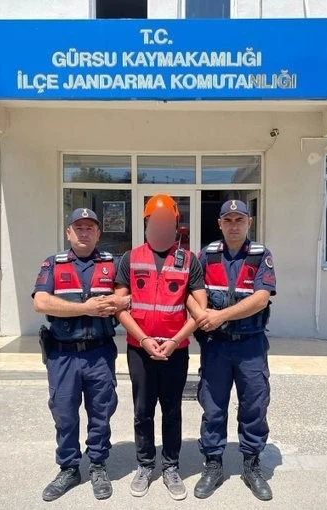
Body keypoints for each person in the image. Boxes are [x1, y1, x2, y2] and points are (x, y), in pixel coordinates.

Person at [32, 208, 129, 502]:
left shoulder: (111, 264)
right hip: (63, 355)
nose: (84, 232)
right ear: (69, 233)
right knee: (64, 414)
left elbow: (127, 296)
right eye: (79, 228)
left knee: (101, 412)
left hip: (99, 353)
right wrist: (85, 308)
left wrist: (116, 301)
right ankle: (69, 468)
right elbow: (41, 302)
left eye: (90, 228)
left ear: (98, 233)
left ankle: (98, 465)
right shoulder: (53, 264)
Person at [114, 194, 207, 501]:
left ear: (176, 225)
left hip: (174, 351)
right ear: (146, 223)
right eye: (156, 221)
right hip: (139, 350)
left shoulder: (189, 260)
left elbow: (200, 310)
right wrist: (143, 339)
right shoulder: (130, 258)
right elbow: (119, 306)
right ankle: (144, 465)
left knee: (171, 410)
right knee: (142, 411)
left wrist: (175, 340)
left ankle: (170, 466)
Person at [192, 199, 276, 502]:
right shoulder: (206, 255)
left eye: (239, 219)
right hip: (216, 346)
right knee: (213, 406)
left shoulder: (260, 255)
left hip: (250, 346)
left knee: (254, 405)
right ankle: (213, 464)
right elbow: (190, 290)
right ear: (219, 224)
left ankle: (252, 465)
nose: (234, 225)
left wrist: (220, 316)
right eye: (228, 220)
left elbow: (261, 299)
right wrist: (202, 316)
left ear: (249, 222)